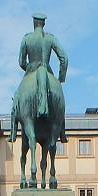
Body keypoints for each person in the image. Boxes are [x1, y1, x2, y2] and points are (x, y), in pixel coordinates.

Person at [11, 13, 68, 144]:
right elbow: (64, 58)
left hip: (30, 70)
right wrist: (60, 80)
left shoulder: (27, 38)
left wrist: (29, 70)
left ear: (34, 23)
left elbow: (21, 61)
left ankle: (13, 132)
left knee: (16, 102)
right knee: (61, 108)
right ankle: (62, 133)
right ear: (44, 24)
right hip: (48, 72)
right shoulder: (50, 38)